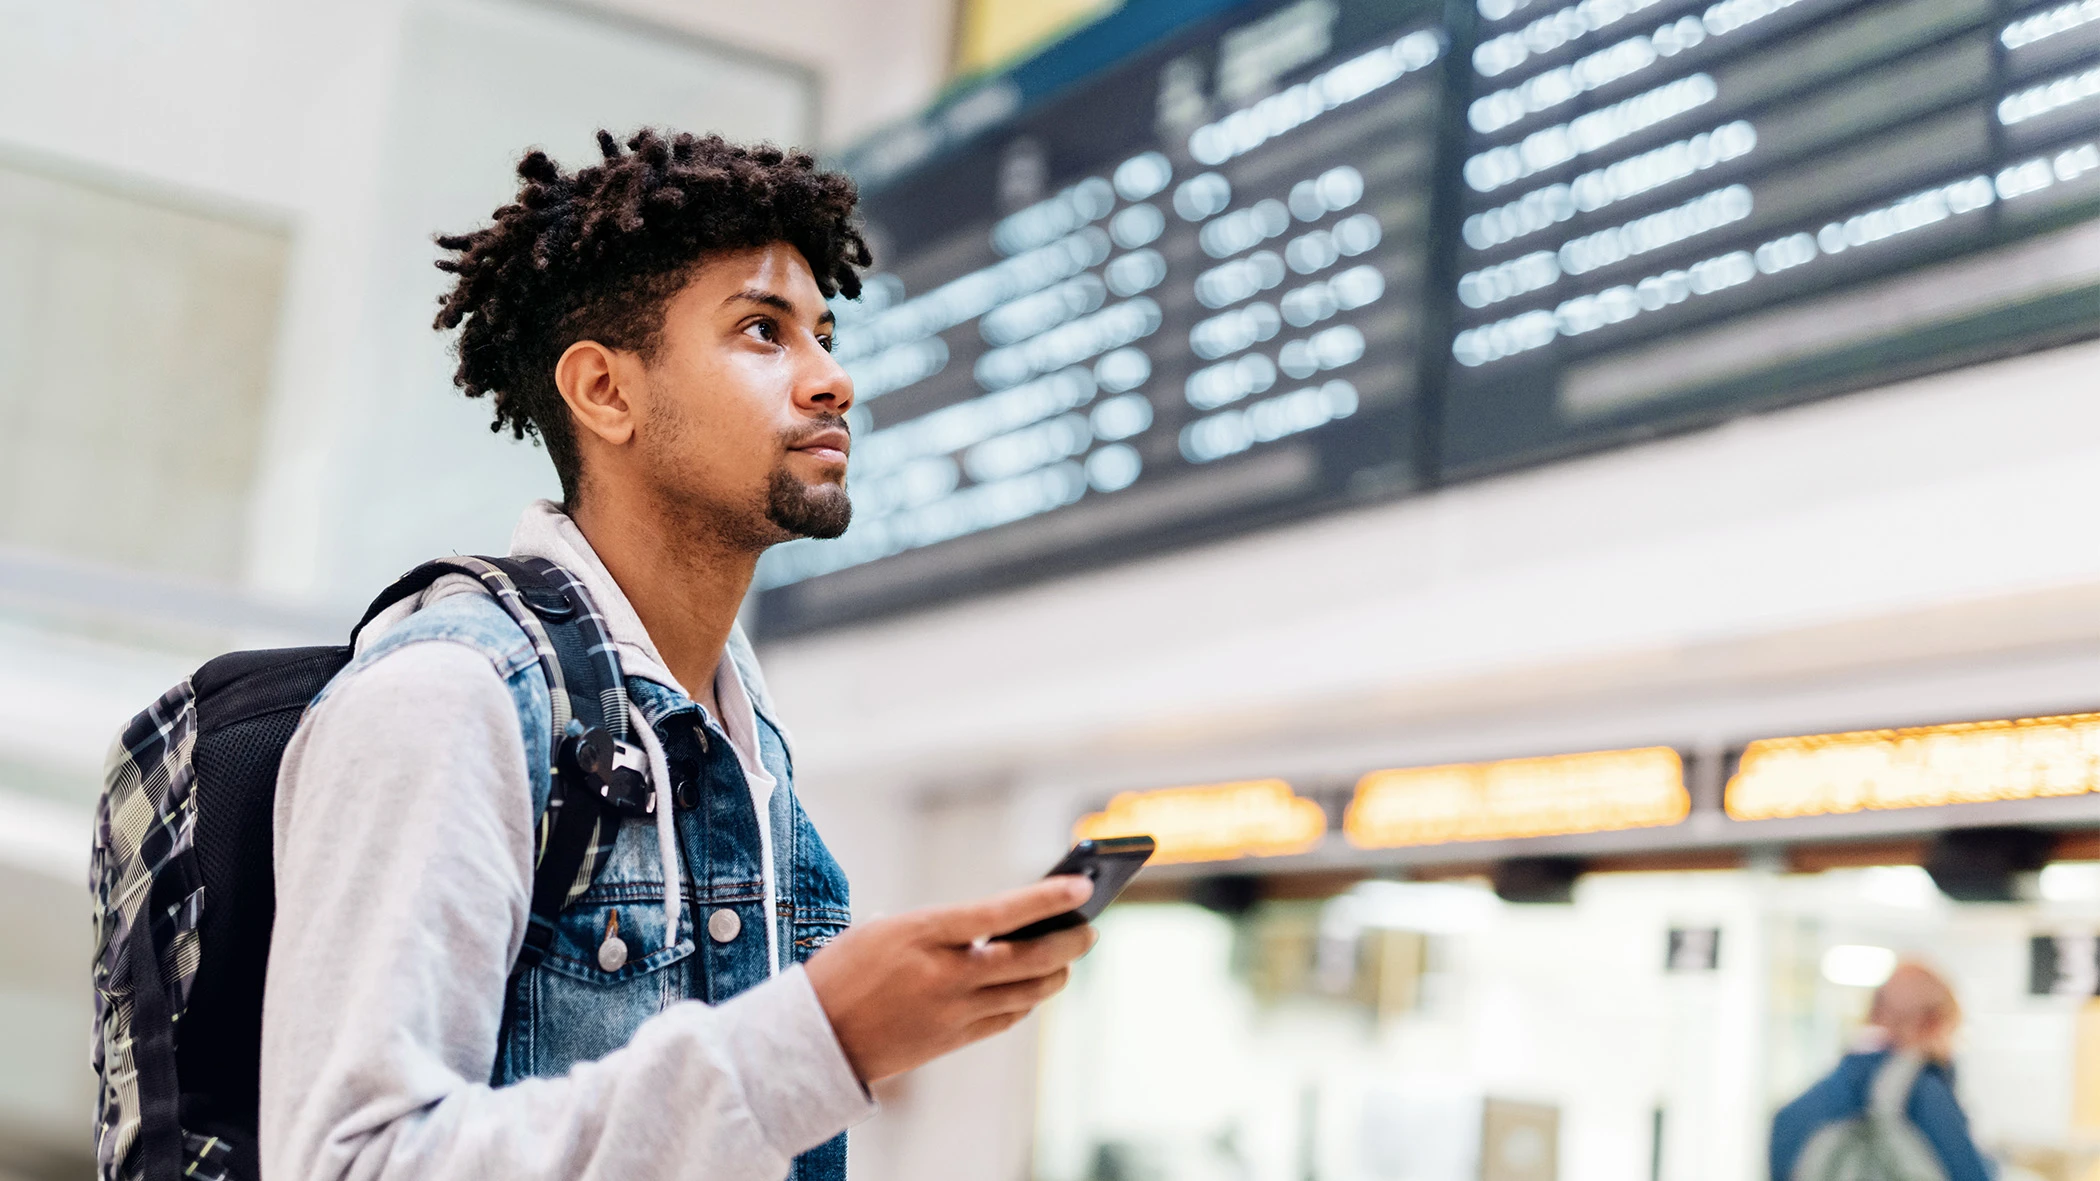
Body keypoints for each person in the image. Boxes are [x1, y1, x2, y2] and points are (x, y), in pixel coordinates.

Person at [258, 129, 1097, 1181]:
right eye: (763, 331)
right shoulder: (448, 698)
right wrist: (817, 1040)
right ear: (606, 391)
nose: (831, 377)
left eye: (825, 334)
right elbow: (352, 1164)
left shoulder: (738, 726)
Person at [1769, 961, 1991, 1181]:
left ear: (1874, 1011)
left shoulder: (1815, 1098)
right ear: (1933, 1022)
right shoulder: (1922, 1090)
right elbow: (1970, 1174)